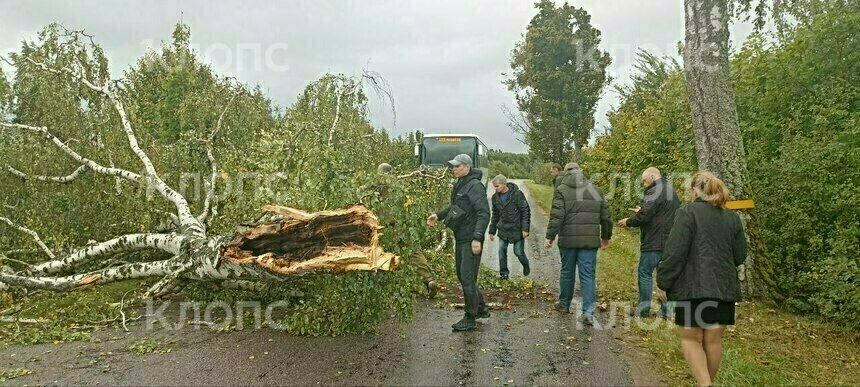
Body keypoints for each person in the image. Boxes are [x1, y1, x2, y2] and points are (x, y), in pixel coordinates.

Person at [657, 172, 747, 387]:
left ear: (696, 191)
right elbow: (740, 255)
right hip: (723, 289)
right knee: (714, 341)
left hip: (692, 289)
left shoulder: (687, 212)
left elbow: (675, 252)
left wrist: (664, 282)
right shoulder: (732, 217)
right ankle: (704, 384)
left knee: (691, 339)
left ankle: (704, 385)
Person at [427, 154, 491, 331]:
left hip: (471, 239)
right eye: (453, 166)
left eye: (457, 166)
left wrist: (477, 238)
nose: (453, 169)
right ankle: (481, 308)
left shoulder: (475, 186)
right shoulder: (460, 184)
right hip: (461, 237)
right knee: (463, 276)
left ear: (467, 167)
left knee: (467, 278)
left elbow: (484, 213)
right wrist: (438, 215)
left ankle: (470, 318)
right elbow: (455, 208)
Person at [545, 163, 612, 326]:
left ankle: (564, 305)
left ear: (566, 173)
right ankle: (588, 312)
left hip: (568, 241)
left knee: (567, 272)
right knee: (587, 274)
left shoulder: (561, 190)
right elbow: (607, 217)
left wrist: (550, 236)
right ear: (582, 173)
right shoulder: (596, 190)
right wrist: (605, 237)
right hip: (589, 242)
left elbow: (556, 216)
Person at [617, 167, 680, 318]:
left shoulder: (654, 191)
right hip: (670, 240)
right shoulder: (671, 191)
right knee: (664, 275)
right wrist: (642, 210)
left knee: (645, 273)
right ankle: (667, 311)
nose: (645, 184)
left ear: (652, 176)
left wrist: (629, 221)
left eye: (645, 180)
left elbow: (645, 215)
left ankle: (643, 309)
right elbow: (661, 213)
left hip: (654, 240)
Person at [375, 163, 438, 298]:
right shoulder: (400, 188)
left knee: (379, 253)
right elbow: (412, 205)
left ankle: (383, 285)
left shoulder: (375, 188)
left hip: (383, 229)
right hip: (402, 227)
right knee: (414, 253)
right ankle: (429, 280)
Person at [488, 174, 531, 280]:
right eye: (494, 186)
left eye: (497, 186)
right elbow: (495, 215)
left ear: (504, 184)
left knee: (518, 252)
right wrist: (492, 231)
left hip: (517, 229)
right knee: (501, 251)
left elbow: (525, 211)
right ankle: (504, 274)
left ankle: (525, 264)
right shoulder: (495, 198)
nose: (495, 188)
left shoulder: (517, 194)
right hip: (503, 229)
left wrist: (525, 229)